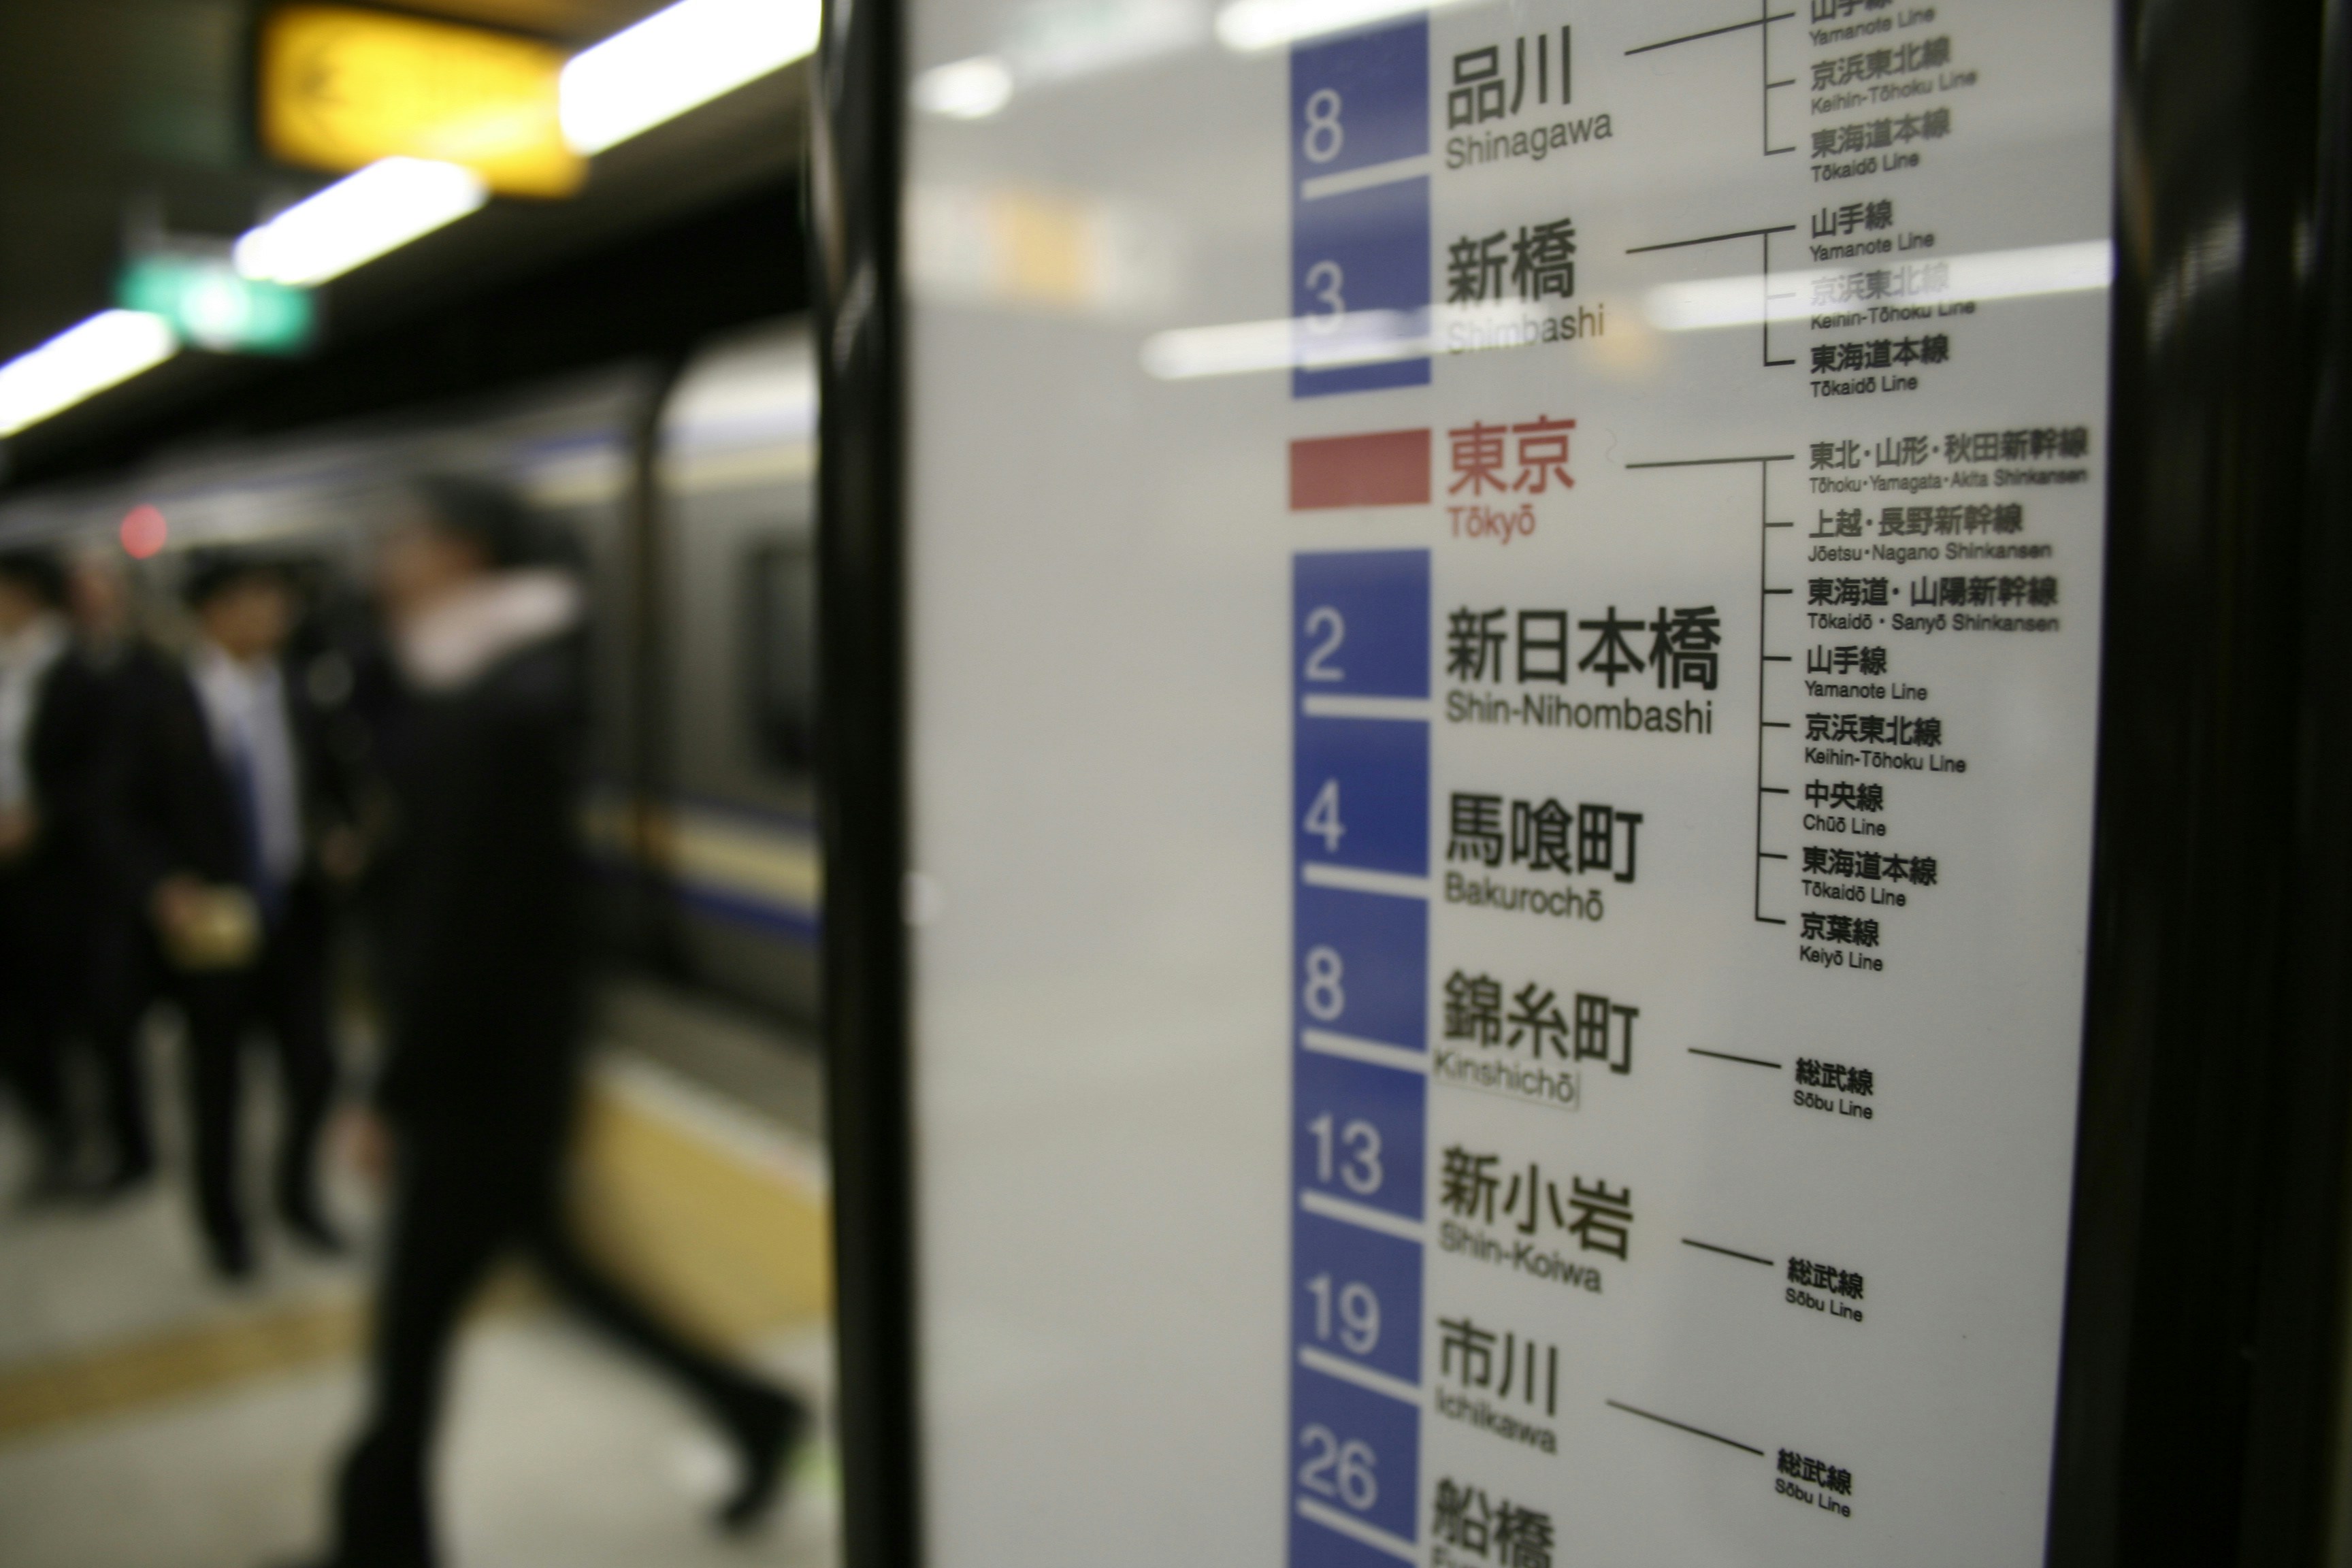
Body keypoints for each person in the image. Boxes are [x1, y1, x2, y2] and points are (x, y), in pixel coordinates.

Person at [300, 476, 802, 1568]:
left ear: (464, 555)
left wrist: (393, 1089)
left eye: (407, 541)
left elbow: (459, 921)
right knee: (545, 1278)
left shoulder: (495, 703)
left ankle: (377, 1541)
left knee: (418, 1321)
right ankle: (750, 1408)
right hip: (508, 1061)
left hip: (484, 1070)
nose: (387, 564)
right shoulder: (491, 684)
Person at [118, 553, 352, 1276]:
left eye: (278, 602)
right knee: (218, 1082)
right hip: (212, 923)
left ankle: (297, 1196)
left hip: (294, 915)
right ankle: (225, 1228)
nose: (274, 617)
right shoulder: (158, 702)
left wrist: (338, 833)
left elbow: (330, 784)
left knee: (316, 1069)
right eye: (257, 602)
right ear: (213, 615)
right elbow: (117, 812)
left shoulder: (301, 692)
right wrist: (159, 885)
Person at [59, 549, 178, 1193]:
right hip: (78, 875)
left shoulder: (153, 669)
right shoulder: (60, 669)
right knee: (103, 1017)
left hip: (150, 866)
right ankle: (121, 1140)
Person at [0, 549, 113, 1199]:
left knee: (75, 1013)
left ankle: (90, 1139)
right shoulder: (9, 670)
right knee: (20, 1021)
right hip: (11, 882)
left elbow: (104, 779)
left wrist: (41, 818)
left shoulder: (79, 674)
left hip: (64, 877)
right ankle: (54, 1129)